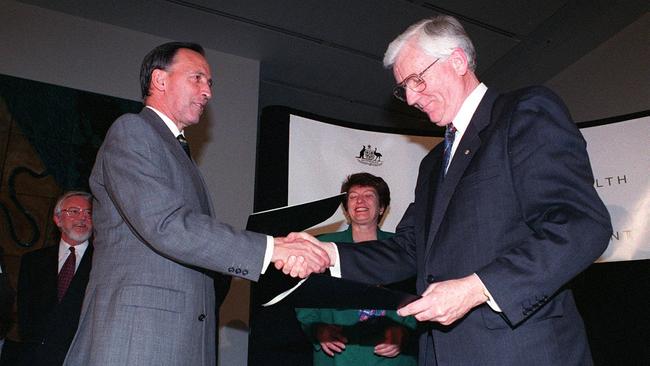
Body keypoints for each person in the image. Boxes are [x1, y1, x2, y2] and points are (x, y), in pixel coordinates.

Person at [290, 15, 612, 366]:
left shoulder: (523, 113)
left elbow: (581, 224)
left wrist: (476, 288)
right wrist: (326, 255)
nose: (411, 97)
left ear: (457, 61)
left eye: (416, 80)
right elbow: (408, 249)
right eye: (403, 89)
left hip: (521, 351)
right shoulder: (433, 164)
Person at [62, 42, 329, 366]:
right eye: (197, 78)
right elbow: (167, 225)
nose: (207, 92)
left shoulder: (178, 154)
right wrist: (272, 250)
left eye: (210, 83)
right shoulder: (132, 131)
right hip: (139, 337)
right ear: (160, 80)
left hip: (180, 338)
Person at [296, 173, 416, 366]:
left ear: (382, 207)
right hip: (339, 357)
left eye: (369, 195)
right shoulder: (323, 246)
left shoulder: (403, 247)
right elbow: (302, 298)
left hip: (392, 359)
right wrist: (317, 329)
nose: (360, 201)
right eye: (352, 196)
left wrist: (404, 331)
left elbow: (418, 294)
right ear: (346, 209)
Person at [16, 191, 94, 366]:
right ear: (58, 219)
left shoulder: (103, 264)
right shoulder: (33, 261)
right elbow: (25, 315)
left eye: (89, 213)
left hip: (80, 357)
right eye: (74, 211)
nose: (83, 218)